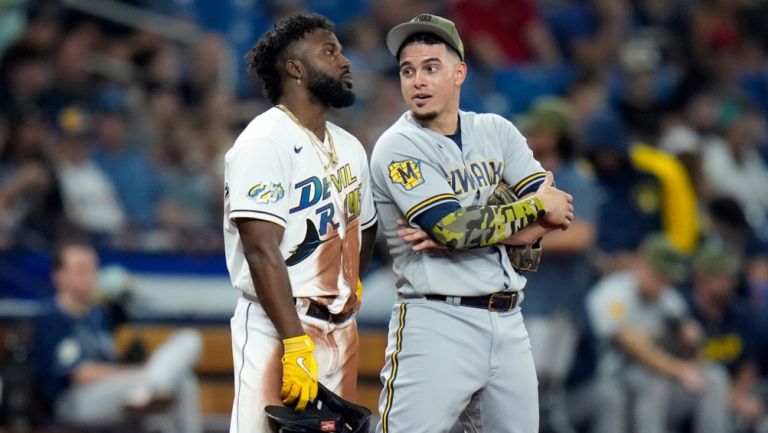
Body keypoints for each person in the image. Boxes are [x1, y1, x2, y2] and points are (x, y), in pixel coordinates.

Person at [369, 14, 574, 433]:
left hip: (508, 319)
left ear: (459, 72)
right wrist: (469, 230)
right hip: (437, 320)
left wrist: (469, 231)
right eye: (408, 71)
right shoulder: (398, 145)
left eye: (431, 68)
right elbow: (455, 230)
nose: (417, 81)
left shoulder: (495, 130)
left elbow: (558, 211)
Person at [223, 12, 378, 433]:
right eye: (330, 51)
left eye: (342, 51)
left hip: (341, 327)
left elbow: (367, 226)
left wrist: (350, 280)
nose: (345, 61)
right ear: (295, 68)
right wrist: (294, 342)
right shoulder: (264, 141)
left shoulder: (349, 147)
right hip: (280, 326)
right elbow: (259, 247)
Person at [33, 240, 202, 433]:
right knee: (172, 383)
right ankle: (154, 384)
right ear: (59, 275)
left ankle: (154, 387)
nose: (89, 276)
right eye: (81, 269)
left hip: (115, 391)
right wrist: (140, 373)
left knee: (187, 356)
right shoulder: (52, 317)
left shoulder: (98, 315)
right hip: (74, 400)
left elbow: (142, 309)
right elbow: (80, 373)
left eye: (93, 269)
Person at [586, 233, 731, 433]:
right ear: (641, 265)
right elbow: (636, 347)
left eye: (668, 278)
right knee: (653, 380)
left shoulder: (669, 300)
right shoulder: (612, 294)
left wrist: (691, 342)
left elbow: (692, 354)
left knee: (715, 376)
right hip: (613, 381)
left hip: (662, 376)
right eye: (659, 275)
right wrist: (679, 370)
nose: (663, 284)